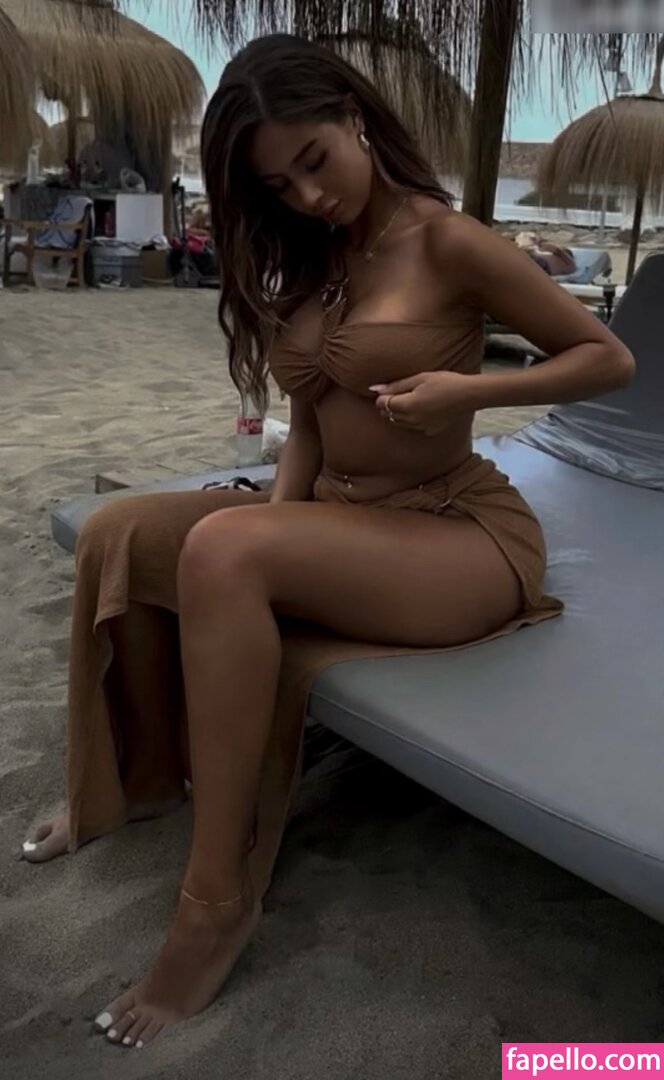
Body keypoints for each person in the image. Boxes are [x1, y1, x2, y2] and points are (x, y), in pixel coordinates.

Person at [22, 33, 634, 1049]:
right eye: (280, 184)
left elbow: (606, 358)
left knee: (226, 551)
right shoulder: (315, 252)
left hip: (455, 534)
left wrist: (469, 389)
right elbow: (307, 417)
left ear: (354, 119)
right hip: (344, 515)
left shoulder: (448, 241)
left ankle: (215, 902)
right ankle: (139, 781)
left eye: (315, 160)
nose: (308, 195)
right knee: (123, 531)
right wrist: (274, 523)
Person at [513, 231, 577, 277]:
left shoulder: (569, 265)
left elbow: (557, 250)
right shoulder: (567, 266)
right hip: (541, 265)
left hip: (543, 265)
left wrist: (542, 244)